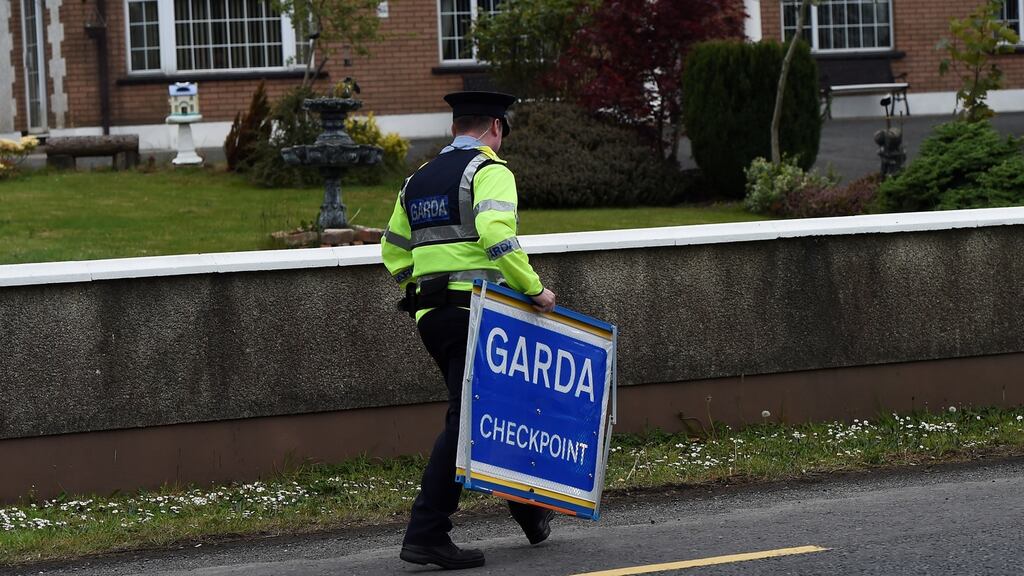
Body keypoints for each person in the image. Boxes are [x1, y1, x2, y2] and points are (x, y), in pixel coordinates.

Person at [381, 91, 557, 570]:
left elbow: (392, 250)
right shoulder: (488, 170)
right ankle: (427, 532)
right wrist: (534, 289)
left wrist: (420, 285)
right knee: (467, 420)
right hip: (476, 313)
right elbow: (497, 234)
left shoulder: (417, 179)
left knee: (494, 410)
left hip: (432, 316)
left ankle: (529, 512)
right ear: (495, 127)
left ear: (454, 127)